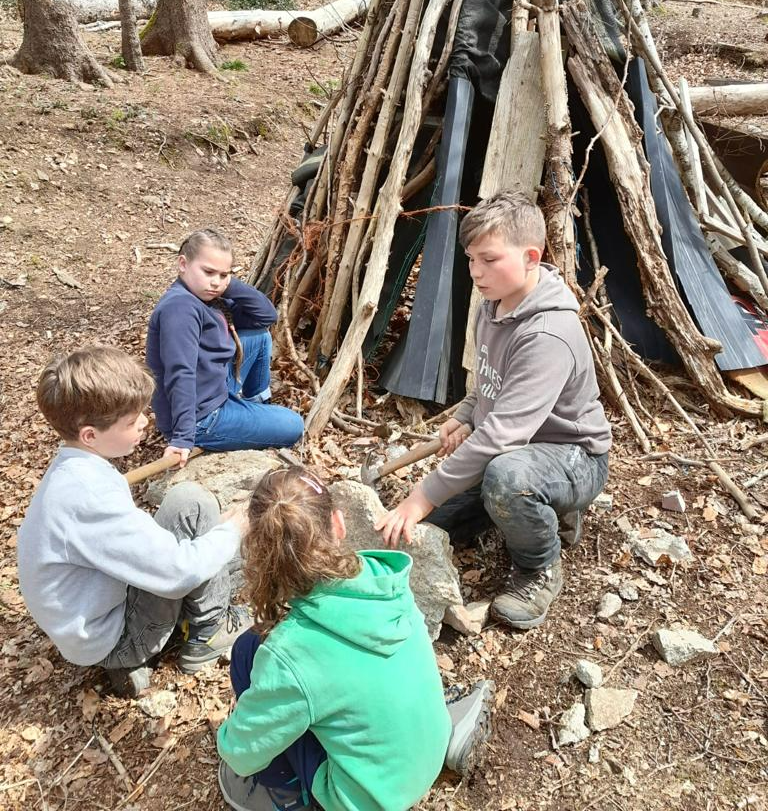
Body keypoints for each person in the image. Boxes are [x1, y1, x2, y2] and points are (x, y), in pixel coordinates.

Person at [377, 190, 612, 631]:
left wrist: (421, 495)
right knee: (438, 524)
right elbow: (491, 382)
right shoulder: (494, 306)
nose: (476, 272)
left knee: (505, 481)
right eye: (471, 259)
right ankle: (536, 511)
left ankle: (540, 566)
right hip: (514, 448)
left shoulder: (547, 333)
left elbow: (503, 432)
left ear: (531, 257)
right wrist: (467, 413)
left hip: (573, 455)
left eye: (489, 259)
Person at [216, 467, 494, 811]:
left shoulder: (290, 653)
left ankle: (288, 793)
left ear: (259, 554)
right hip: (427, 751)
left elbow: (240, 755)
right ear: (338, 524)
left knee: (247, 653)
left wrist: (230, 736)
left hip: (365, 801)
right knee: (272, 660)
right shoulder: (382, 575)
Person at [17, 346, 252, 698]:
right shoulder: (89, 497)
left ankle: (141, 652)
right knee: (194, 505)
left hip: (89, 624)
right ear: (90, 435)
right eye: (131, 421)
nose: (145, 421)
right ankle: (209, 633)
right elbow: (177, 573)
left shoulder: (73, 467)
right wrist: (234, 529)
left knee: (190, 510)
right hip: (115, 638)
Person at [146, 228, 303, 467]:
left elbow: (266, 316)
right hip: (201, 417)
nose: (215, 282)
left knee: (259, 337)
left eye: (223, 275)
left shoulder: (209, 299)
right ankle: (246, 421)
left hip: (213, 386)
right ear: (183, 264)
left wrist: (227, 286)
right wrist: (184, 437)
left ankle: (255, 407)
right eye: (208, 272)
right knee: (294, 425)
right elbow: (181, 372)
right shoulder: (180, 308)